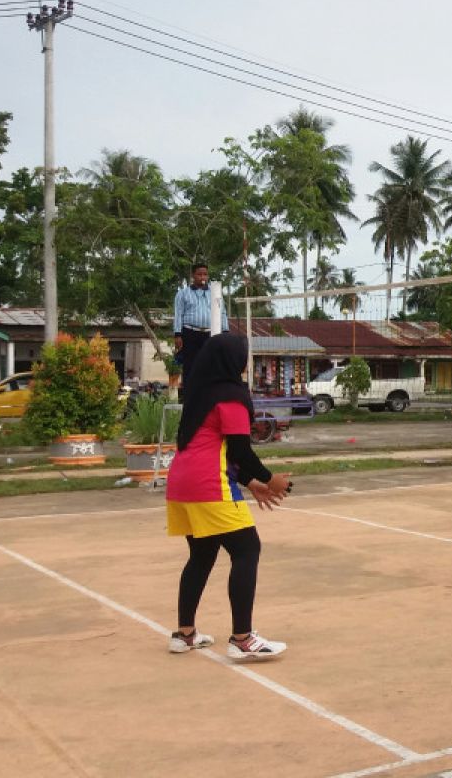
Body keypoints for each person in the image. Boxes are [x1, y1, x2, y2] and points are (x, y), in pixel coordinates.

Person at [166, 333, 293, 659]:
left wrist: (249, 482)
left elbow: (215, 446)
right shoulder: (232, 396)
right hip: (208, 483)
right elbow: (240, 450)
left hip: (180, 481)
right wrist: (269, 478)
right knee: (247, 549)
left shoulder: (200, 391)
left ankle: (185, 634)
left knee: (202, 554)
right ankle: (242, 639)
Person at [173, 263, 228, 399]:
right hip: (190, 333)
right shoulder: (183, 293)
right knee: (190, 366)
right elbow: (178, 314)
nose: (202, 277)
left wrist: (225, 331)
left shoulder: (215, 293)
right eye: (199, 274)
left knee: (211, 364)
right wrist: (178, 334)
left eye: (205, 274)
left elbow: (222, 312)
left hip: (210, 333)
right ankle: (189, 398)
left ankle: (209, 397)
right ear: (193, 275)